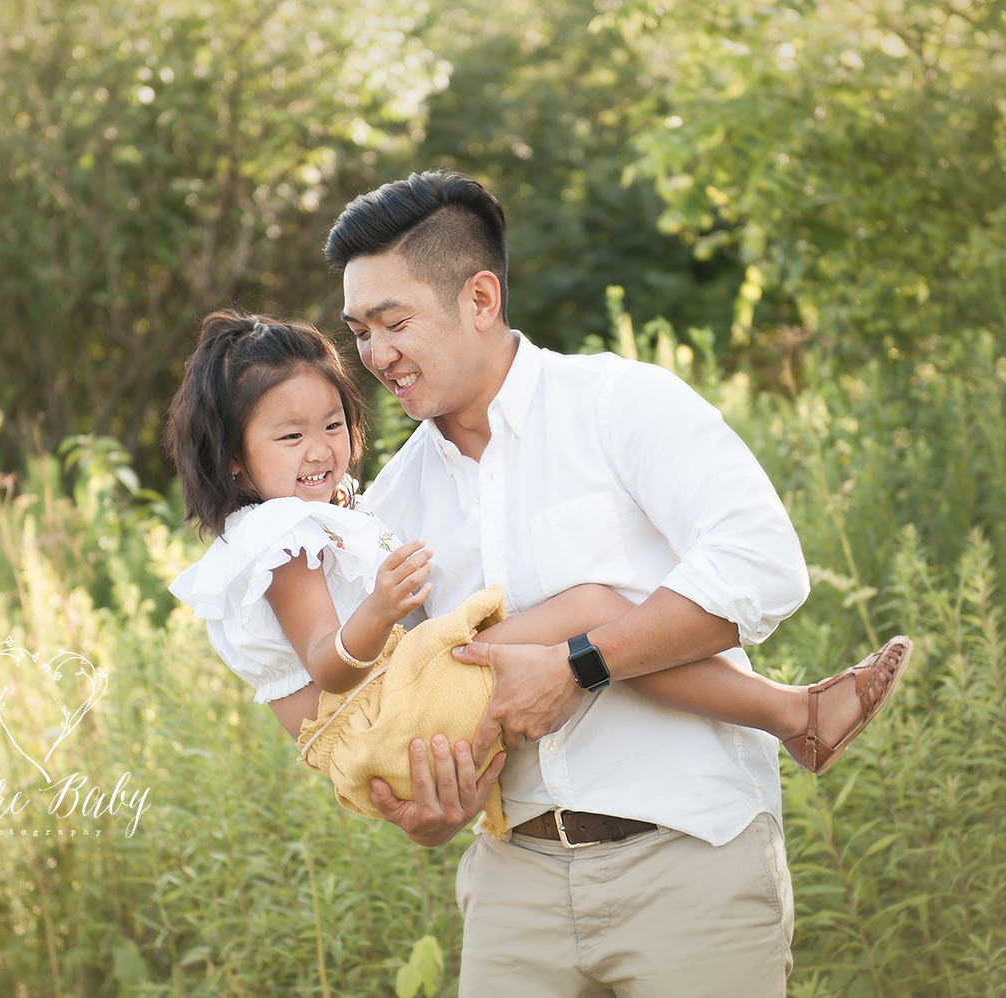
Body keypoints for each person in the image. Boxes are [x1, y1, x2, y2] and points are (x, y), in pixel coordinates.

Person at [324, 170, 909, 997]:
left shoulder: (619, 405)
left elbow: (762, 564)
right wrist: (428, 802)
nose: (376, 355)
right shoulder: (393, 505)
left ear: (481, 298)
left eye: (395, 323)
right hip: (513, 884)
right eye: (359, 332)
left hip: (689, 860)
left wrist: (581, 665)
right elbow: (406, 694)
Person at [160, 309, 910, 865]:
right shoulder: (276, 538)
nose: (321, 449)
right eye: (289, 438)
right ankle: (791, 713)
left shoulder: (344, 513)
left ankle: (793, 716)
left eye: (333, 423)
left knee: (588, 635)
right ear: (233, 462)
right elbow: (328, 662)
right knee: (591, 611)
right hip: (375, 719)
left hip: (394, 721)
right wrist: (387, 607)